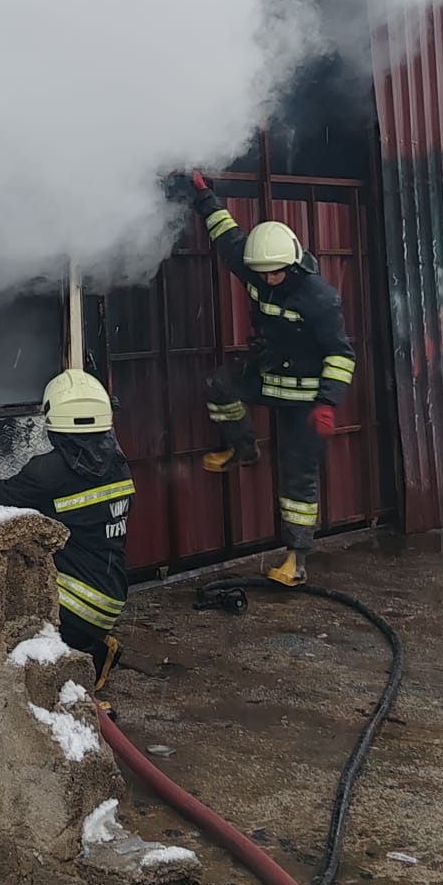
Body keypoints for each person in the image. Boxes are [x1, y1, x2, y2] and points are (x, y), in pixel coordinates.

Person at [179, 170, 357, 586]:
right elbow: (225, 232)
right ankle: (243, 449)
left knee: (297, 475)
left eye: (276, 274)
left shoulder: (320, 299)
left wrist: (328, 403)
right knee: (218, 385)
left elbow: (341, 354)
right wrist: (204, 194)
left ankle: (296, 560)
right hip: (269, 372)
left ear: (293, 264)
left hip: (306, 398)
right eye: (262, 274)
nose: (268, 280)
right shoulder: (255, 264)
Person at [0, 369, 132, 689]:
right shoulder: (118, 464)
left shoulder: (47, 472)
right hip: (112, 596)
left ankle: (73, 662)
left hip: (75, 604)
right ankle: (89, 645)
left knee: (3, 598)